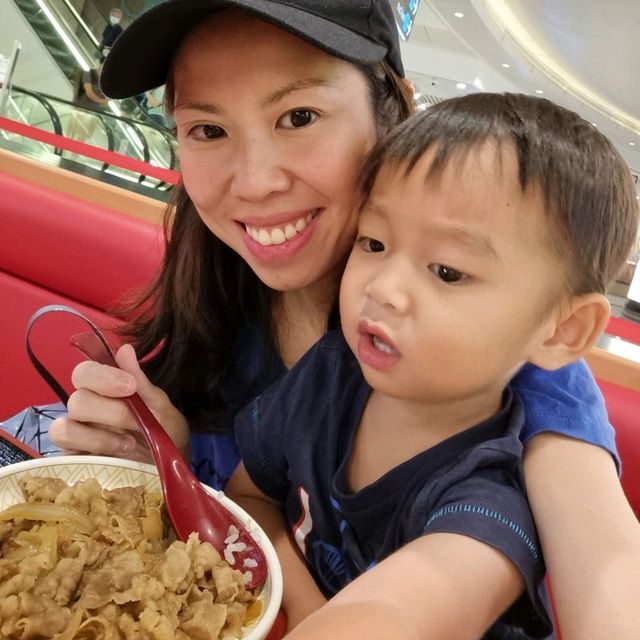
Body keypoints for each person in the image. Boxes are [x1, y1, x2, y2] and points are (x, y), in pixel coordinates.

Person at [48, 2, 640, 637]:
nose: (253, 183)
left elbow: (606, 577)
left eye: (299, 116)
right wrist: (165, 456)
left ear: (393, 106)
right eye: (208, 130)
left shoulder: (501, 354)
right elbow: (250, 501)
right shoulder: (233, 293)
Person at [225, 92, 639, 638]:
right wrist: (303, 606)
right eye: (373, 242)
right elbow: (248, 495)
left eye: (446, 271)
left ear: (562, 330)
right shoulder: (330, 375)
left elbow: (391, 616)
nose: (384, 288)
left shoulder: (491, 503)